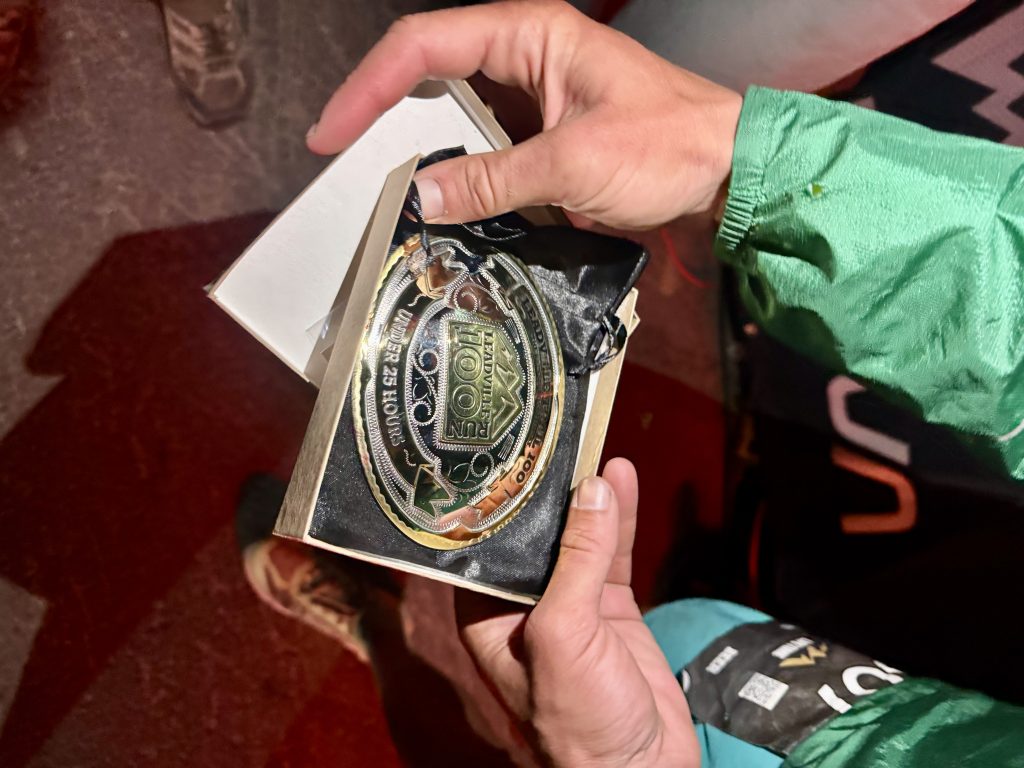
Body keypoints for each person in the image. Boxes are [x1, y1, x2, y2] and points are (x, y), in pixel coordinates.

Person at [259, 1, 1024, 765]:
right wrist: (745, 162)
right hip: (880, 730)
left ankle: (382, 636)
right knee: (668, 639)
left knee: (547, 689)